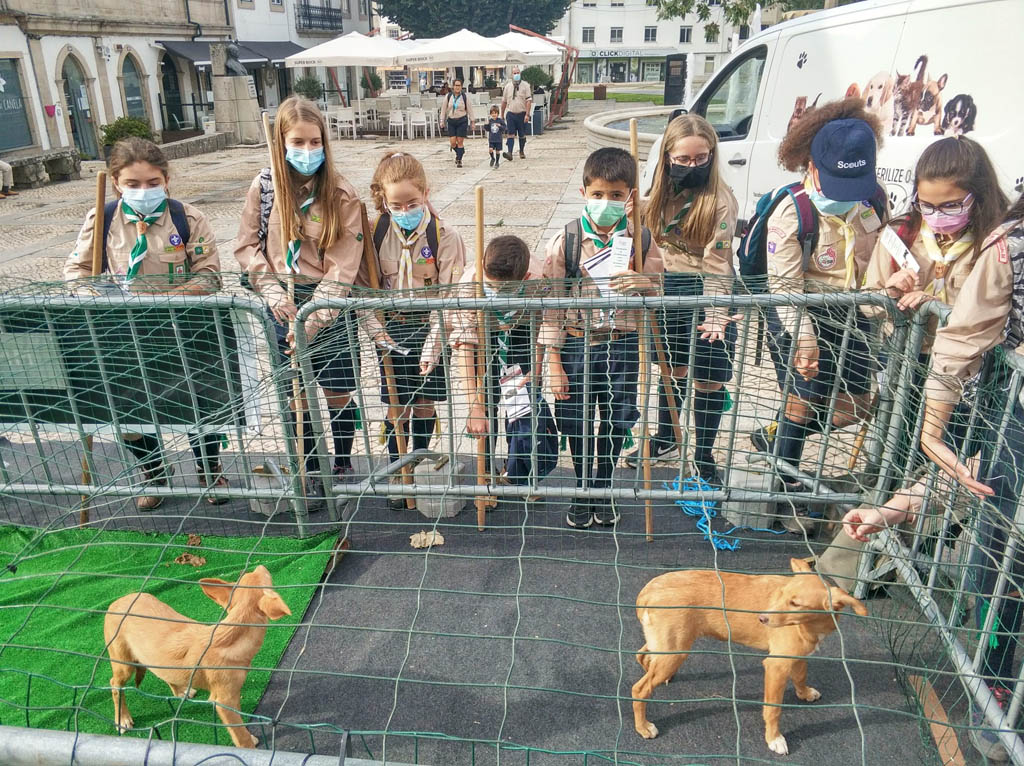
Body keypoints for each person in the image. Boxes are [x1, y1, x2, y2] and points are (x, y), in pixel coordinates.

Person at [919, 195, 1024, 762]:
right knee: (1001, 553)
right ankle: (995, 679)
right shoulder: (1010, 247)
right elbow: (962, 335)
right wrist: (932, 431)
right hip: (1017, 420)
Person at [63, 137, 223, 510]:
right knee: (127, 411)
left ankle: (209, 469)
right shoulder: (102, 219)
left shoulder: (187, 218)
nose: (143, 190)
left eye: (152, 182)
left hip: (180, 330)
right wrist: (94, 297)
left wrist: (167, 301)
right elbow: (76, 270)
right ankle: (153, 469)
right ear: (116, 182)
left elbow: (210, 275)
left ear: (166, 179)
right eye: (132, 183)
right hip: (120, 332)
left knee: (199, 405)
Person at [234, 96, 366, 501]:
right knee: (296, 393)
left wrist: (313, 317)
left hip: (327, 302)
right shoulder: (265, 188)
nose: (307, 150)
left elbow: (344, 263)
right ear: (281, 142)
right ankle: (308, 465)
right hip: (282, 301)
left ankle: (341, 460)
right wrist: (272, 291)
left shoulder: (341, 192)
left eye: (314, 142)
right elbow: (247, 245)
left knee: (337, 389)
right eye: (298, 142)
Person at [751, 98, 887, 486]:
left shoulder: (874, 198)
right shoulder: (792, 209)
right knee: (802, 399)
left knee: (856, 407)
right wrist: (804, 340)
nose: (845, 195)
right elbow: (785, 285)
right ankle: (786, 481)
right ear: (812, 166)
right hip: (800, 309)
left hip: (854, 310)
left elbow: (881, 260)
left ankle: (774, 436)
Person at [542, 147, 664, 529]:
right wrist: (553, 362)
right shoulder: (566, 240)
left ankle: (603, 485)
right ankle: (582, 487)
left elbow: (659, 290)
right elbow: (551, 306)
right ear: (584, 193)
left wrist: (644, 282)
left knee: (616, 419)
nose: (605, 202)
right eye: (597, 194)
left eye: (615, 195)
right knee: (576, 420)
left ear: (630, 196)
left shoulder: (642, 239)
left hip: (622, 344)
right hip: (577, 343)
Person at [622, 113, 739, 486]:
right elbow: (642, 243)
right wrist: (632, 219)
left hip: (707, 289)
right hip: (665, 287)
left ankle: (703, 456)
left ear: (712, 156)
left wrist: (717, 313)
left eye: (701, 158)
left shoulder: (720, 201)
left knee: (707, 378)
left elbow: (719, 265)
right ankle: (668, 436)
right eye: (683, 159)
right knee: (671, 368)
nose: (692, 165)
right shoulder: (656, 195)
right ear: (668, 157)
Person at [365, 151, 466, 510]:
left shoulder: (444, 236)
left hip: (430, 329)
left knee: (424, 403)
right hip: (390, 330)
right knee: (396, 406)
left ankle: (420, 463)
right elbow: (364, 289)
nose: (404, 210)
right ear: (384, 200)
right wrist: (377, 332)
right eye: (396, 205)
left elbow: (449, 297)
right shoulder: (374, 233)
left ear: (426, 193)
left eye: (412, 202)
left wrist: (433, 345)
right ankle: (399, 471)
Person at [451, 235, 556, 491]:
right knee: (486, 405)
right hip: (484, 336)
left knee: (522, 407)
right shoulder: (469, 285)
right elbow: (465, 345)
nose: (496, 292)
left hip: (521, 334)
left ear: (525, 277)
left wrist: (536, 371)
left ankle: (518, 475)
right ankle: (486, 476)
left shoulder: (539, 281)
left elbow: (544, 327)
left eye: (504, 289)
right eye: (491, 286)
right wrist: (474, 406)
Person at [501, 67, 533, 162]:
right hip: (511, 113)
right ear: (512, 74)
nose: (516, 75)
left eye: (518, 73)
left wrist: (527, 114)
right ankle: (509, 152)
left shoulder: (525, 86)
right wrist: (502, 114)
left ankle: (521, 151)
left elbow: (528, 101)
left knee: (522, 134)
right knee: (510, 134)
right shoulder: (507, 87)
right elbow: (504, 101)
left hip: (522, 113)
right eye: (514, 73)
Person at [440, 79, 473, 168]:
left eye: (459, 85)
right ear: (453, 87)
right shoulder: (448, 96)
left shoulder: (464, 97)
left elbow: (470, 109)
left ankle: (459, 159)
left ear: (461, 87)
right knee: (453, 142)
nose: (457, 87)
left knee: (460, 141)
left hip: (462, 120)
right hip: (451, 121)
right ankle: (460, 151)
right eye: (456, 85)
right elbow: (443, 109)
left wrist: (472, 121)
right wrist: (442, 120)